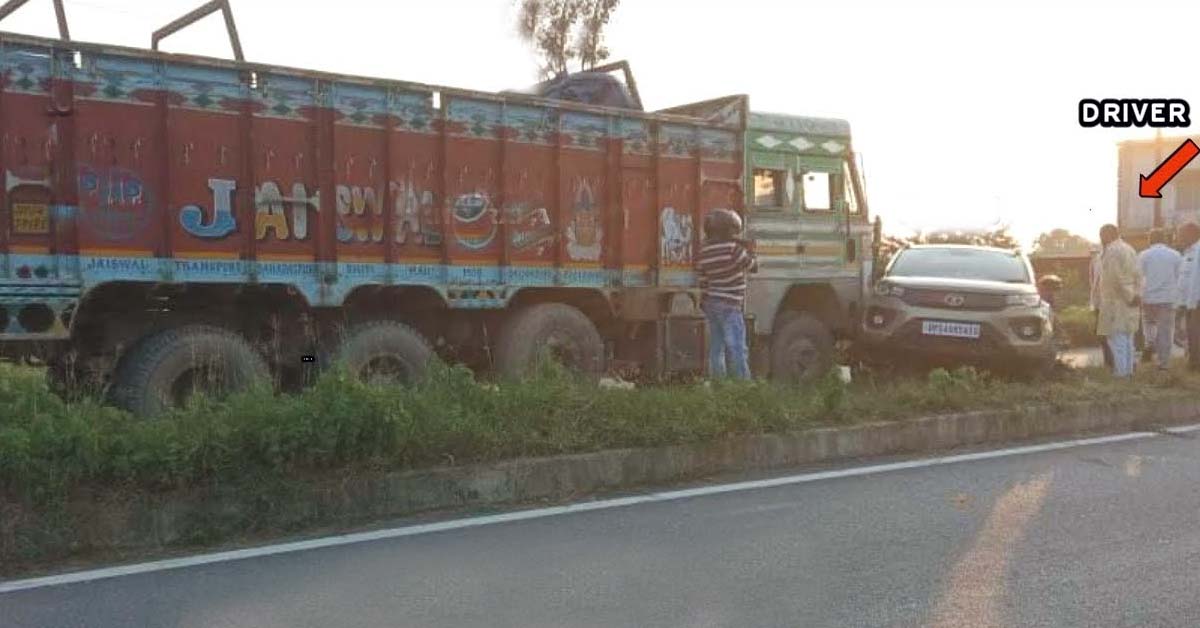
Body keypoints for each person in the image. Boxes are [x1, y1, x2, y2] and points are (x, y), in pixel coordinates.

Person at [696, 208, 756, 379]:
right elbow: (753, 266)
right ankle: (743, 384)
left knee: (717, 347)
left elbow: (703, 281)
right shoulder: (733, 249)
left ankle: (718, 382)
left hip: (712, 304)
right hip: (730, 305)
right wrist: (751, 250)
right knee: (737, 347)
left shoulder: (704, 251)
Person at [1097, 224, 1143, 378]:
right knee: (1128, 337)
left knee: (1117, 338)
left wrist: (1129, 296)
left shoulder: (1112, 251)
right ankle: (1128, 371)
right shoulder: (1129, 248)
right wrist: (1136, 295)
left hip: (1116, 300)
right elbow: (1138, 275)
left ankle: (1121, 373)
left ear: (1106, 235)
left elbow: (1115, 278)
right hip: (1130, 299)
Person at [1138, 228, 1182, 370]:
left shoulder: (1143, 255)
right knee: (1165, 332)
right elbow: (1179, 277)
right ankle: (1163, 364)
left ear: (1150, 239)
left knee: (1148, 323)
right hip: (1168, 298)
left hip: (1148, 297)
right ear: (1164, 239)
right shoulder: (1175, 255)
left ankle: (1150, 344)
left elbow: (1138, 277)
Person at [1176, 222, 1200, 370]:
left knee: (1195, 333)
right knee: (1192, 333)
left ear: (1191, 233)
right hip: (1191, 302)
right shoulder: (1188, 251)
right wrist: (1182, 303)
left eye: (1181, 233)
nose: (1178, 237)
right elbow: (1184, 280)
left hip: (1197, 301)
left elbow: (1196, 279)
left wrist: (1192, 302)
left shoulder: (1198, 250)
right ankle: (1194, 362)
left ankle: (1195, 364)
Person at [1088, 245, 1114, 368]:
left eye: (1094, 252)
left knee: (1106, 334)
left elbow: (1095, 283)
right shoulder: (1094, 262)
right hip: (1101, 302)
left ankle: (1111, 361)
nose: (1093, 255)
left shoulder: (1098, 262)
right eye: (1092, 253)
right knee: (1103, 333)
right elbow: (1093, 283)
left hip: (1106, 302)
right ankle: (1109, 361)